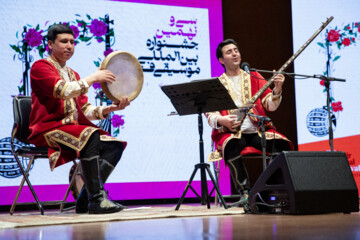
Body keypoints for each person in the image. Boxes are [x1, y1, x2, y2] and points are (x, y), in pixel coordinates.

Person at [28, 24, 130, 214]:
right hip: (47, 130)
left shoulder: (73, 74)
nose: (69, 46)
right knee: (89, 136)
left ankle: (85, 199)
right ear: (50, 44)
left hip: (71, 130)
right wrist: (92, 78)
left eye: (72, 42)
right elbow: (63, 91)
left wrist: (111, 107)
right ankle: (97, 199)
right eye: (64, 41)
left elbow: (84, 109)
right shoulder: (40, 67)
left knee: (114, 145)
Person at [206, 39, 293, 206]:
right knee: (230, 144)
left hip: (256, 131)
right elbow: (210, 114)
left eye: (236, 50)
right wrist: (222, 120)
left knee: (280, 144)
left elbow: (270, 105)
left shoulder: (254, 77)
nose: (234, 53)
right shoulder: (217, 84)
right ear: (221, 60)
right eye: (229, 52)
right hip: (231, 132)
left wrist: (277, 89)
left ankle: (272, 191)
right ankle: (245, 193)